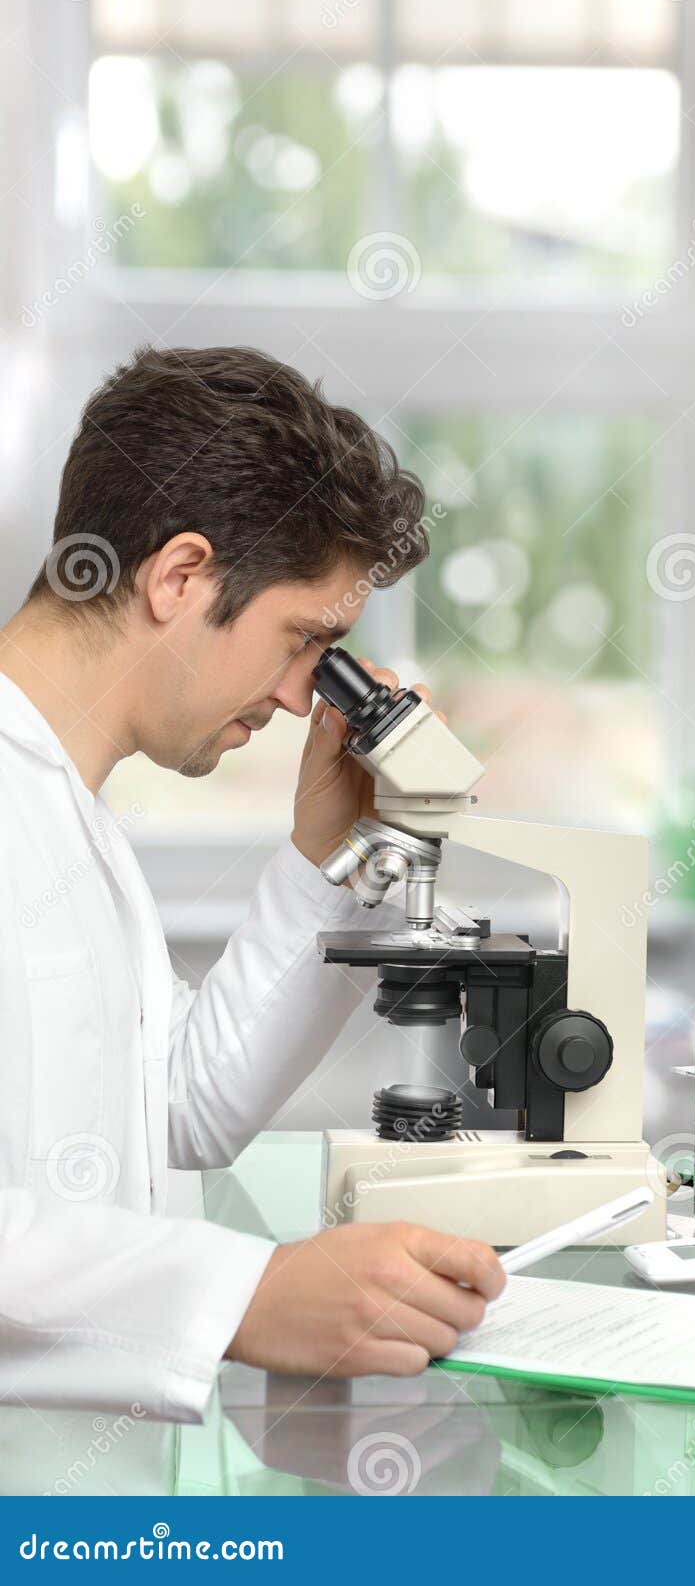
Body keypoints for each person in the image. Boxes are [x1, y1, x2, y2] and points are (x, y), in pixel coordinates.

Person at [0, 344, 505, 1429]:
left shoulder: (69, 813)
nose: (293, 698)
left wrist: (331, 854)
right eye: (304, 641)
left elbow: (180, 1108)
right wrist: (246, 1295)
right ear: (179, 577)